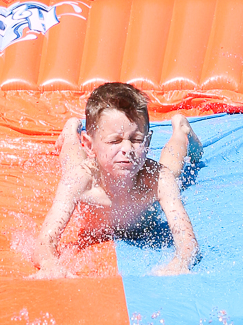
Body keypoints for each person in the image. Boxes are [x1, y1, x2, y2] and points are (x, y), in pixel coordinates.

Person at [36, 82, 202, 278]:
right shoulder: (80, 181)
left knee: (171, 170)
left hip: (153, 174)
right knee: (73, 164)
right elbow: (44, 241)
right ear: (89, 145)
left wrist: (181, 261)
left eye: (136, 140)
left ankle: (180, 129)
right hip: (89, 169)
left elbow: (187, 240)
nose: (127, 149)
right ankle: (71, 131)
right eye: (115, 141)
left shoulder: (158, 180)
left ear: (147, 143)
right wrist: (49, 264)